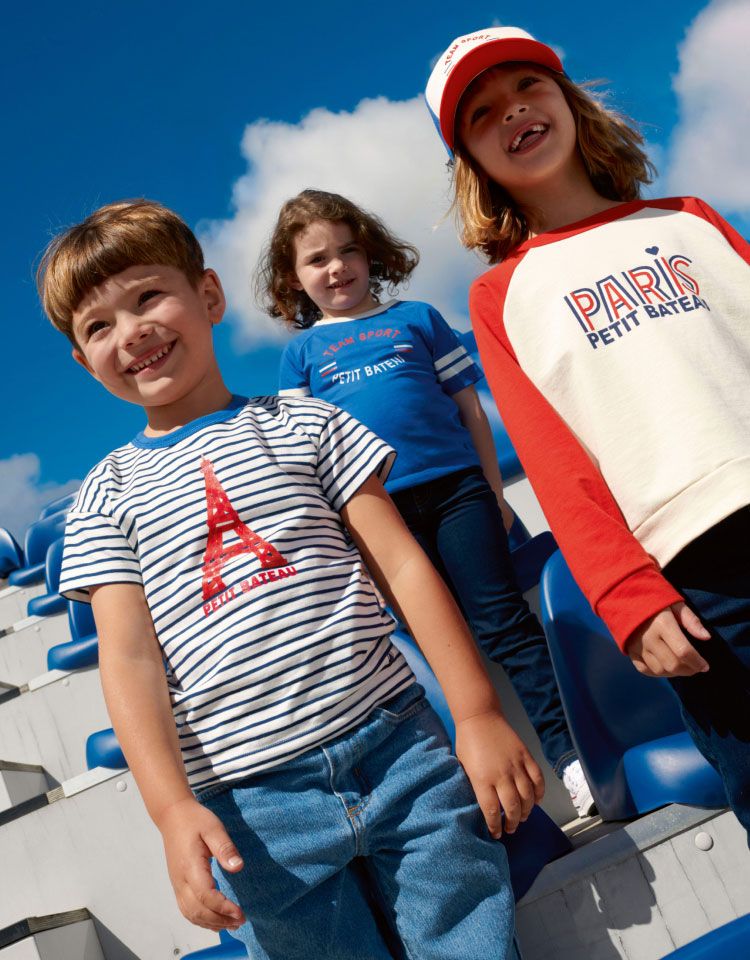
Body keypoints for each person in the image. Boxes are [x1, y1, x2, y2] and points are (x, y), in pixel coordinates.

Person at [37, 198, 545, 959]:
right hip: (252, 810)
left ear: (208, 296)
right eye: (98, 327)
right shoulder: (105, 495)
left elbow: (402, 565)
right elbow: (129, 659)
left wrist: (474, 714)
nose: (131, 331)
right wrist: (171, 810)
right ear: (84, 362)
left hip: (399, 752)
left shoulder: (310, 422)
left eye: (147, 297)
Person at [425, 26, 750, 839]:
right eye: (483, 114)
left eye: (528, 88)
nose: (515, 113)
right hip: (700, 575)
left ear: (570, 102)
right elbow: (552, 457)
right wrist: (626, 594)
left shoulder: (694, 218)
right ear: (473, 163)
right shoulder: (503, 295)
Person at [258, 188, 594, 816]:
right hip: (375, 517)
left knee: (505, 628)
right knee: (425, 656)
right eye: (317, 260)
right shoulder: (300, 355)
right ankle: (466, 798)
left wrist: (495, 495)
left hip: (458, 494)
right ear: (293, 278)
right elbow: (304, 452)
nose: (336, 268)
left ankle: (574, 759)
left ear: (370, 253)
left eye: (348, 250)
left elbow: (469, 411)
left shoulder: (416, 319)